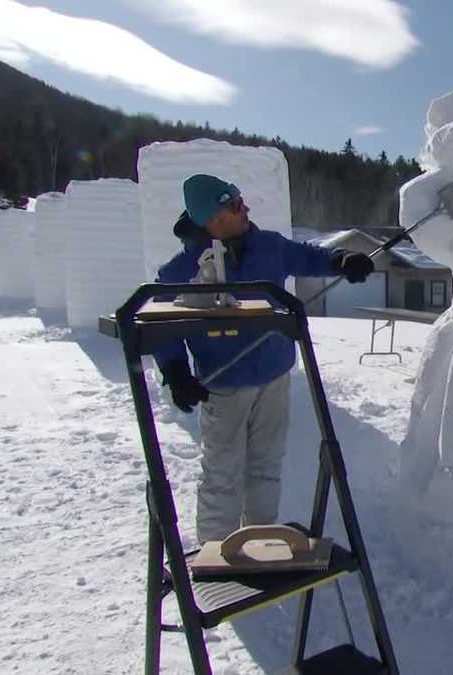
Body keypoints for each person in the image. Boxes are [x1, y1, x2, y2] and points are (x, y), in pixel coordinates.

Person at [153, 173, 375, 544]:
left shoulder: (268, 246)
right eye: (236, 204)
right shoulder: (180, 270)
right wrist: (174, 368)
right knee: (222, 475)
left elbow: (307, 256)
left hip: (274, 377)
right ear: (213, 218)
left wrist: (341, 259)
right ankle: (214, 558)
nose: (246, 208)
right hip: (222, 388)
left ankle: (256, 547)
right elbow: (162, 325)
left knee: (266, 469)